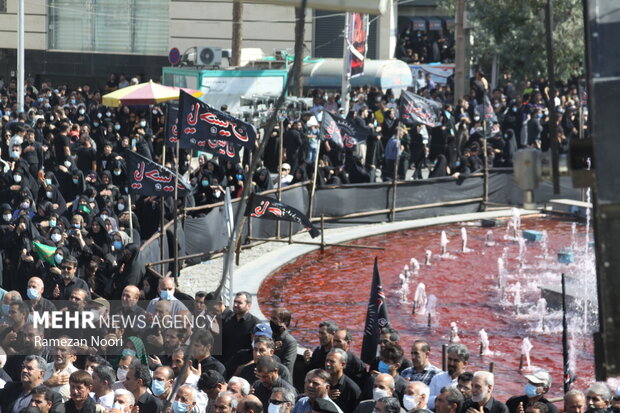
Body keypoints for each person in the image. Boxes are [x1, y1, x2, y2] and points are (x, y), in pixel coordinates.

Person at [221, 292, 259, 364]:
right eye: (235, 302)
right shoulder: (227, 321)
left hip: (243, 366)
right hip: (226, 365)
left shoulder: (255, 323)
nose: (235, 305)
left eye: (239, 303)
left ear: (248, 305)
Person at [428, 344, 469, 409]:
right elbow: (428, 401)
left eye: (455, 361)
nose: (451, 363)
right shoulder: (437, 378)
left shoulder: (468, 383)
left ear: (465, 364)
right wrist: (441, 399)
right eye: (449, 359)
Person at [324, 348, 361, 413]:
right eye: (327, 361)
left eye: (332, 361)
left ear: (343, 364)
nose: (327, 364)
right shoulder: (320, 382)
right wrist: (325, 397)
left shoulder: (353, 390)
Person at [270, 308, 298, 376]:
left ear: (284, 323)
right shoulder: (270, 336)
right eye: (271, 318)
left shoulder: (290, 342)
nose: (271, 321)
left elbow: (286, 368)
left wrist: (272, 352)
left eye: (274, 319)